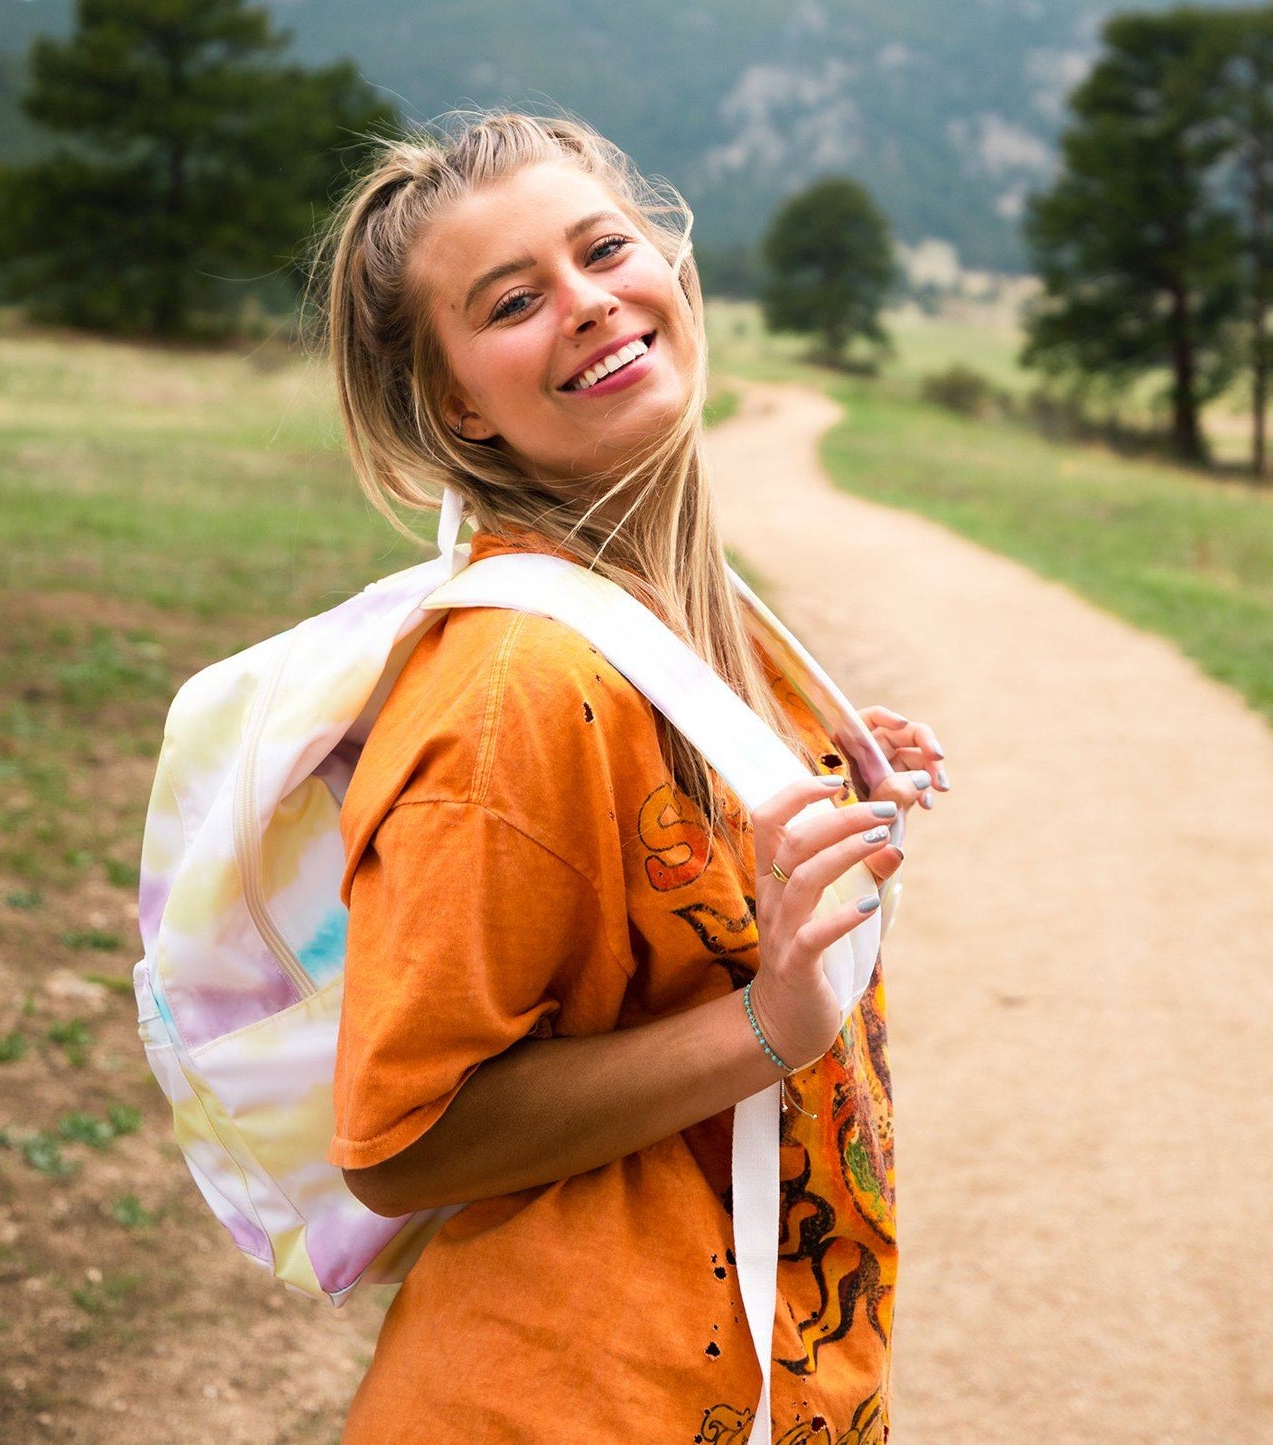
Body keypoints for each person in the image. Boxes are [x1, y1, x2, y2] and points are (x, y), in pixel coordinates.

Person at [314, 111, 950, 1444]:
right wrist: (766, 1024)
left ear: (668, 257)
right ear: (453, 401)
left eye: (603, 247)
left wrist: (828, 764)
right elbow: (400, 1141)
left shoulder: (673, 610)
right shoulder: (511, 689)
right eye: (510, 301)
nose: (590, 304)